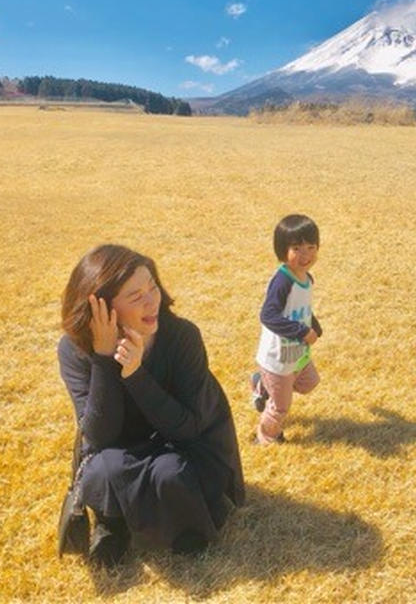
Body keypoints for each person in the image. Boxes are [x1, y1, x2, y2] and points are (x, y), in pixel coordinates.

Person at [57, 244, 244, 567]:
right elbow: (99, 436)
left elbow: (187, 428)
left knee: (170, 472)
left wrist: (137, 376)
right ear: (103, 307)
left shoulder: (181, 336)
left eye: (153, 287)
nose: (151, 300)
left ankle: (189, 522)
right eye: (135, 296)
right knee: (104, 468)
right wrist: (104, 360)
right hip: (120, 445)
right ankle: (112, 523)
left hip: (184, 442)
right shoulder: (74, 350)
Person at [251, 214, 323, 445]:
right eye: (297, 248)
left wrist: (314, 326)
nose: (306, 255)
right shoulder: (283, 281)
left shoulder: (307, 278)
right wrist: (302, 332)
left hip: (296, 353)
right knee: (281, 407)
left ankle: (262, 385)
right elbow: (268, 315)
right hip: (277, 358)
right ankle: (267, 436)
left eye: (311, 247)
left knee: (309, 383)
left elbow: (301, 307)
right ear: (282, 251)